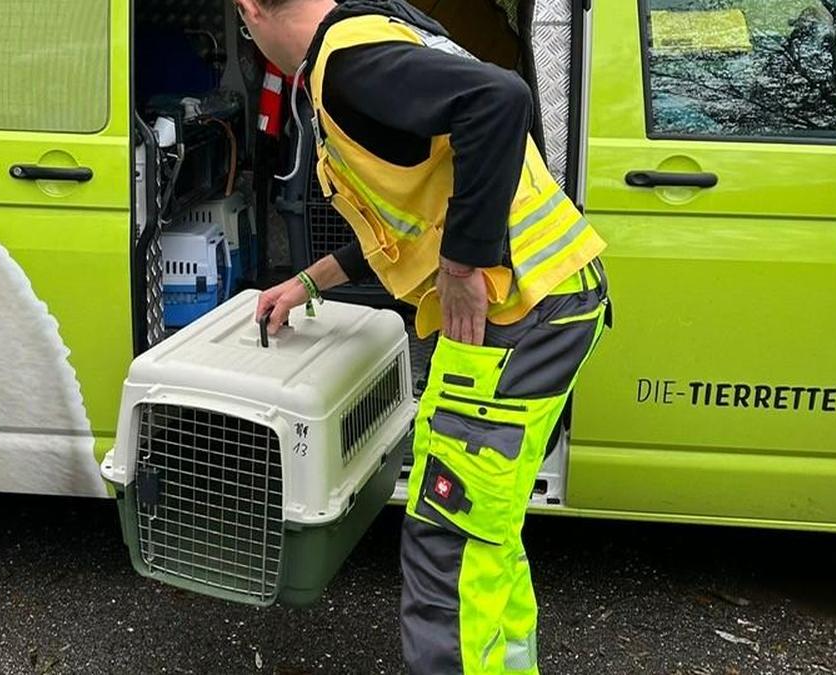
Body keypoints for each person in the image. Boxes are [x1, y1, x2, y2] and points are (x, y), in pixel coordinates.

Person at [240, 0, 611, 672]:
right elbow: (413, 215)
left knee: (450, 538)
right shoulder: (383, 30)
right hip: (550, 300)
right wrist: (309, 282)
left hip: (515, 314)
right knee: (484, 525)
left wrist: (467, 262)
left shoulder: (347, 65)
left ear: (250, 11)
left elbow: (500, 99)